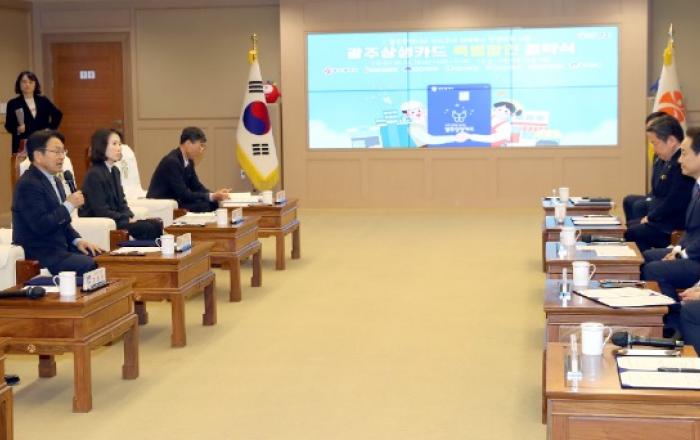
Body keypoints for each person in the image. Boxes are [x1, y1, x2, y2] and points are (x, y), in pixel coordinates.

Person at [12, 130, 104, 275]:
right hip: (40, 254)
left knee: (102, 257)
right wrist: (69, 205)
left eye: (63, 151)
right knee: (89, 264)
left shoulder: (56, 180)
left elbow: (63, 223)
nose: (62, 157)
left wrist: (77, 241)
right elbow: (41, 225)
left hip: (60, 250)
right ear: (38, 156)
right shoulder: (28, 184)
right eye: (56, 152)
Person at [641, 127, 700, 332]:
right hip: (691, 251)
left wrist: (681, 254)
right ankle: (669, 316)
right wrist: (675, 250)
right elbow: (691, 230)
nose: (679, 159)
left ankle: (672, 322)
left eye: (684, 153)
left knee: (654, 270)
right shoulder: (696, 186)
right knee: (646, 258)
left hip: (697, 259)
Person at [623, 115, 694, 252]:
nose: (654, 149)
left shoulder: (681, 164)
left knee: (630, 232)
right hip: (663, 219)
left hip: (672, 224)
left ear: (671, 141)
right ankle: (644, 258)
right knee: (626, 227)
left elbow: (674, 201)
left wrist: (651, 217)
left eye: (655, 143)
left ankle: (643, 261)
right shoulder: (668, 160)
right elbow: (658, 192)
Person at [79, 128, 163, 240]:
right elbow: (101, 210)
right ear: (101, 146)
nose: (119, 148)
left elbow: (122, 202)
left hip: (117, 219)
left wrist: (129, 215)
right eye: (114, 144)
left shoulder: (115, 171)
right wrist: (125, 218)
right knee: (148, 228)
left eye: (119, 144)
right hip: (103, 222)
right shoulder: (94, 174)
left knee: (156, 224)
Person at [146, 127, 230, 212]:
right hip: (162, 204)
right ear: (188, 143)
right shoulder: (172, 162)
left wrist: (215, 195)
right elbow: (184, 194)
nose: (201, 150)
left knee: (213, 203)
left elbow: (196, 186)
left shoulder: (189, 161)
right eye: (200, 145)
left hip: (176, 200)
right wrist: (211, 196)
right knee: (204, 206)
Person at [623, 111, 678, 224]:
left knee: (639, 205)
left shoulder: (672, 155)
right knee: (629, 200)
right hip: (655, 196)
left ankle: (639, 229)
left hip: (664, 202)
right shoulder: (657, 155)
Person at [3, 71, 63, 155]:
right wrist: (17, 129)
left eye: (30, 82)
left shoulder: (43, 101)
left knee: (42, 162)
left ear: (35, 84)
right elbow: (8, 125)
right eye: (24, 82)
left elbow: (58, 114)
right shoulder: (13, 103)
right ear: (19, 84)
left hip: (42, 141)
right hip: (22, 144)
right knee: (23, 163)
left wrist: (50, 129)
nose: (27, 85)